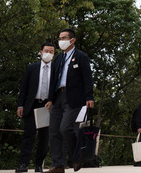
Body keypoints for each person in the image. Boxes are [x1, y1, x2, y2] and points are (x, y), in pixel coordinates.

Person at [46, 28, 95, 173]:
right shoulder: (58, 59)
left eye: (64, 38)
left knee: (65, 128)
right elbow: (53, 80)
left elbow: (87, 78)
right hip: (57, 97)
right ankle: (58, 165)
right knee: (54, 131)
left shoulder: (81, 57)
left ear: (72, 40)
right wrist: (50, 98)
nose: (61, 41)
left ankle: (77, 156)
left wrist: (89, 97)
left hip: (74, 98)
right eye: (59, 38)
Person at [16, 43, 56, 173]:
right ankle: (23, 164)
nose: (48, 53)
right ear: (40, 52)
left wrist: (53, 101)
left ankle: (39, 165)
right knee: (29, 135)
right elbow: (24, 88)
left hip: (48, 106)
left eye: (51, 51)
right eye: (46, 51)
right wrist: (20, 105)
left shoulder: (57, 69)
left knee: (44, 137)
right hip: (31, 105)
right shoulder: (31, 68)